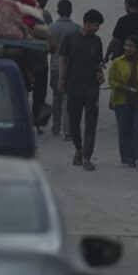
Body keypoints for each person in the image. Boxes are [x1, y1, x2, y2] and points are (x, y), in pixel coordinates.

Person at [59, 9, 105, 171]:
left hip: (92, 87)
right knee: (74, 122)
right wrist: (62, 80)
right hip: (73, 85)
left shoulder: (97, 41)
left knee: (91, 122)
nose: (97, 28)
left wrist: (100, 74)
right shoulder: (70, 39)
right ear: (87, 23)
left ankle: (87, 157)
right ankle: (78, 148)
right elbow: (63, 60)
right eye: (96, 25)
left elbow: (99, 63)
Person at [107, 35, 138, 168]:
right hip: (121, 100)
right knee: (124, 129)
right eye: (126, 45)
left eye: (131, 46)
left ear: (137, 48)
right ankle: (128, 158)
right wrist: (123, 87)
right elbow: (111, 81)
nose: (127, 48)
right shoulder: (117, 62)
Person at [48, 0, 80, 138]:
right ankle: (68, 131)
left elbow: (49, 48)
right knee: (69, 100)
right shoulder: (76, 28)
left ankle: (56, 128)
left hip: (55, 67)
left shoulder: (52, 28)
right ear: (71, 11)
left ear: (58, 11)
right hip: (71, 69)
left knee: (56, 98)